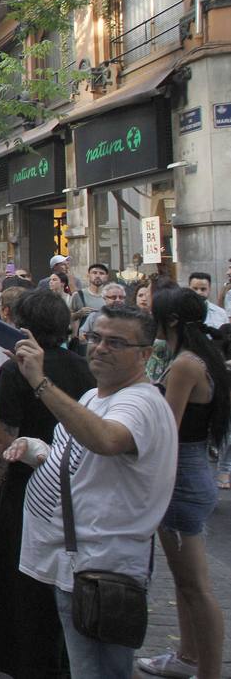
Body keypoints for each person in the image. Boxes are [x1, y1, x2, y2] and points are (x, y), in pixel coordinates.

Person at [8, 304, 177, 679]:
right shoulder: (95, 395)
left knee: (97, 671)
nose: (100, 348)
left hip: (99, 567)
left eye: (116, 342)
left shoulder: (141, 402)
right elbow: (81, 458)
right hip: (74, 564)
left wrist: (40, 381)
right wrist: (38, 452)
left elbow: (105, 439)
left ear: (145, 354)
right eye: (95, 337)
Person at [0, 289, 95, 679]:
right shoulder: (83, 368)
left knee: (20, 581)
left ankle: (22, 660)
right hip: (73, 487)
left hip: (27, 488)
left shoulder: (15, 371)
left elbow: (0, 440)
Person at [135, 289, 228, 679]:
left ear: (170, 320)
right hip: (188, 469)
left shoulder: (187, 364)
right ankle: (187, 656)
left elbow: (165, 427)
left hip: (183, 474)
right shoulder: (194, 357)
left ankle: (206, 669)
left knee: (196, 585)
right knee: (186, 581)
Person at [69, 262, 110, 341]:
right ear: (88, 275)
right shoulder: (78, 295)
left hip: (104, 341)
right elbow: (67, 318)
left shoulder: (111, 297)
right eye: (94, 273)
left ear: (106, 277)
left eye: (101, 273)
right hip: (82, 343)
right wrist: (78, 314)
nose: (97, 276)